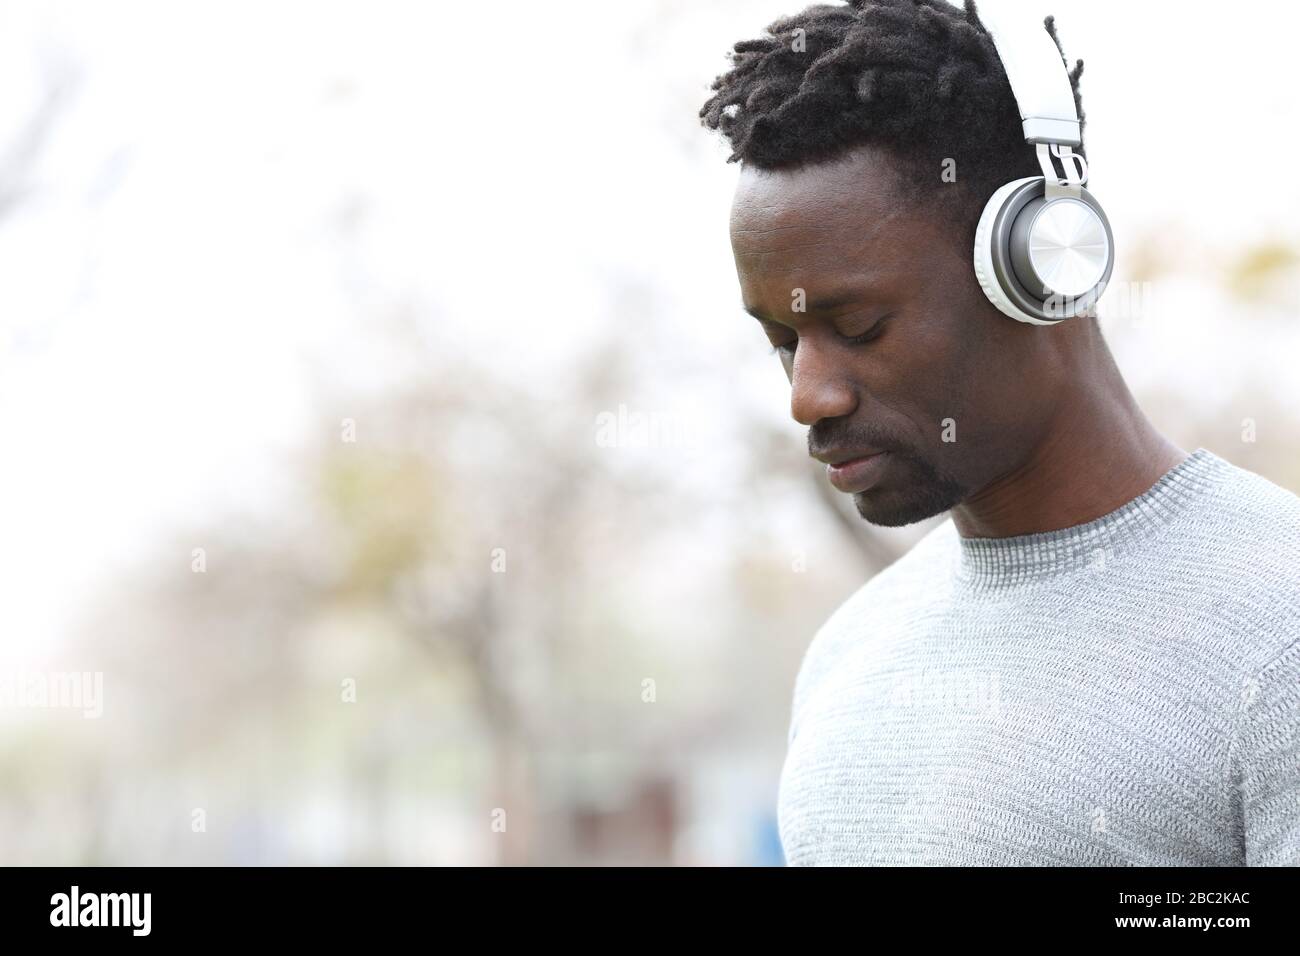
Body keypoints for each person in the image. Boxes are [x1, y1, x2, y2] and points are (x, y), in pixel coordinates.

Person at [699, 0, 1300, 865]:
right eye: (783, 342)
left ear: (1043, 264)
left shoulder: (1279, 639)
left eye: (859, 326)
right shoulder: (848, 654)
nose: (808, 397)